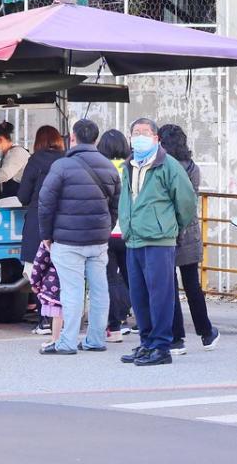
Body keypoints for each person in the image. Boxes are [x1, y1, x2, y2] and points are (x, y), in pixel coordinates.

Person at [37, 119, 121, 355]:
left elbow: (45, 203)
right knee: (99, 289)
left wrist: (46, 235)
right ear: (96, 139)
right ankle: (95, 339)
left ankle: (67, 341)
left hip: (67, 241)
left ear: (72, 138)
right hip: (98, 241)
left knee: (72, 291)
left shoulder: (62, 166)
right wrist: (106, 229)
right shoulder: (109, 167)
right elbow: (116, 204)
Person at [118, 118, 197, 367]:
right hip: (133, 239)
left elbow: (186, 202)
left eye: (144, 132)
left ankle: (162, 345)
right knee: (139, 295)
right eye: (135, 132)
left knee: (160, 294)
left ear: (155, 138)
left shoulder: (168, 166)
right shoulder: (129, 166)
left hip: (159, 239)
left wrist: (171, 226)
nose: (139, 136)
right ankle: (147, 341)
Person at [158, 124, 219, 355]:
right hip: (190, 231)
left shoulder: (162, 167)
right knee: (192, 285)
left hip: (166, 230)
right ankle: (206, 333)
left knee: (170, 286)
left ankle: (176, 338)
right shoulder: (193, 168)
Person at [17, 125, 65, 335]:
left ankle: (43, 318)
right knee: (61, 272)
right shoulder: (67, 160)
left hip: (37, 223)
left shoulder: (35, 160)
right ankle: (60, 319)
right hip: (63, 222)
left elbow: (23, 196)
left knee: (37, 271)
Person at [97, 129, 131, 343]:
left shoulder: (100, 169)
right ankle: (141, 320)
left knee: (108, 279)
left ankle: (114, 327)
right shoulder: (131, 168)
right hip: (129, 232)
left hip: (106, 231)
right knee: (133, 278)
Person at [0, 121, 30, 199]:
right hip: (11, 201)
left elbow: (4, 175)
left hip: (20, 203)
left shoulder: (17, 153)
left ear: (0, 140)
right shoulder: (6, 155)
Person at [29, 241, 63, 347]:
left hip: (54, 281)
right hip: (74, 279)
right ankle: (69, 338)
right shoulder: (75, 237)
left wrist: (35, 283)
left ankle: (55, 338)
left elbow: (39, 263)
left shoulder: (49, 240)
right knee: (71, 312)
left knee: (58, 313)